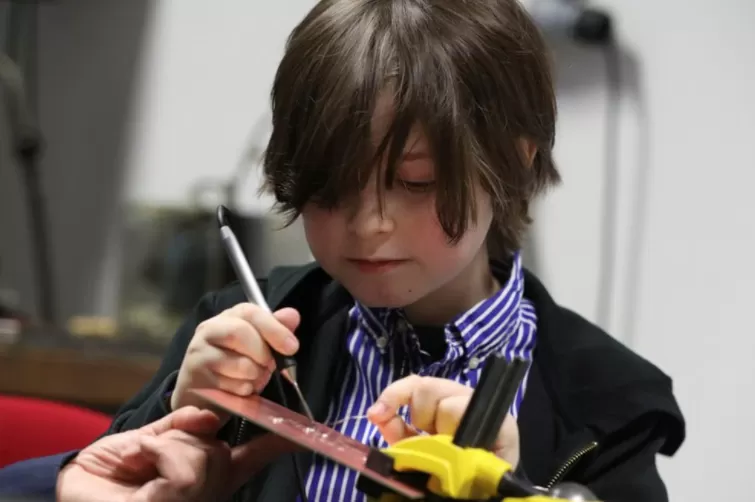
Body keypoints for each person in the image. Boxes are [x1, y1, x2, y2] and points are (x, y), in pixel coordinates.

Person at [7, 0, 687, 500]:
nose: (367, 225)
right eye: (329, 189)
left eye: (414, 184)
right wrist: (173, 415)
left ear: (510, 164)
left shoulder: (610, 404)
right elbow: (107, 478)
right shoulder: (241, 329)